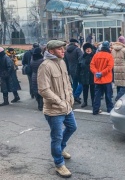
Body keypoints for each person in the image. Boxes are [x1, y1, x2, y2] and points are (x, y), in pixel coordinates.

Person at [37, 40, 77, 178]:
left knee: (72, 127)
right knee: (56, 137)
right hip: (54, 109)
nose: (63, 51)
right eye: (60, 49)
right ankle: (59, 164)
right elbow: (43, 90)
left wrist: (71, 96)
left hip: (67, 106)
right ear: (51, 51)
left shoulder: (62, 62)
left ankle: (61, 149)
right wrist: (60, 102)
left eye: (63, 49)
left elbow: (67, 82)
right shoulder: (45, 66)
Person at [90, 41, 114, 115]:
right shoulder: (109, 56)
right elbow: (109, 67)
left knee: (97, 96)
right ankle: (109, 109)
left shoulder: (96, 55)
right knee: (108, 95)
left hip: (97, 79)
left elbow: (92, 65)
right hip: (106, 79)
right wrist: (102, 73)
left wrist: (96, 73)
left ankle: (95, 110)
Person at [111, 36, 125, 102]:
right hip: (123, 68)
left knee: (118, 85)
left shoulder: (113, 49)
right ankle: (118, 98)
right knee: (124, 85)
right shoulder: (124, 49)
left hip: (115, 68)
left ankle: (119, 100)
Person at [64, 38, 83, 104]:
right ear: (75, 43)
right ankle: (76, 95)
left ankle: (71, 96)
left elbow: (65, 61)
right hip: (78, 69)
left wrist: (68, 70)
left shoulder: (66, 51)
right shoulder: (77, 49)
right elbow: (81, 59)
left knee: (74, 83)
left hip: (71, 69)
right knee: (82, 83)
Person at [77, 43, 95, 108]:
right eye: (87, 49)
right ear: (84, 50)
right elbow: (78, 67)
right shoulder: (81, 57)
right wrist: (78, 76)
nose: (88, 50)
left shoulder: (94, 56)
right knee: (85, 90)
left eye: (89, 49)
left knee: (93, 90)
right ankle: (85, 102)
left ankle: (93, 102)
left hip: (92, 75)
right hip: (84, 75)